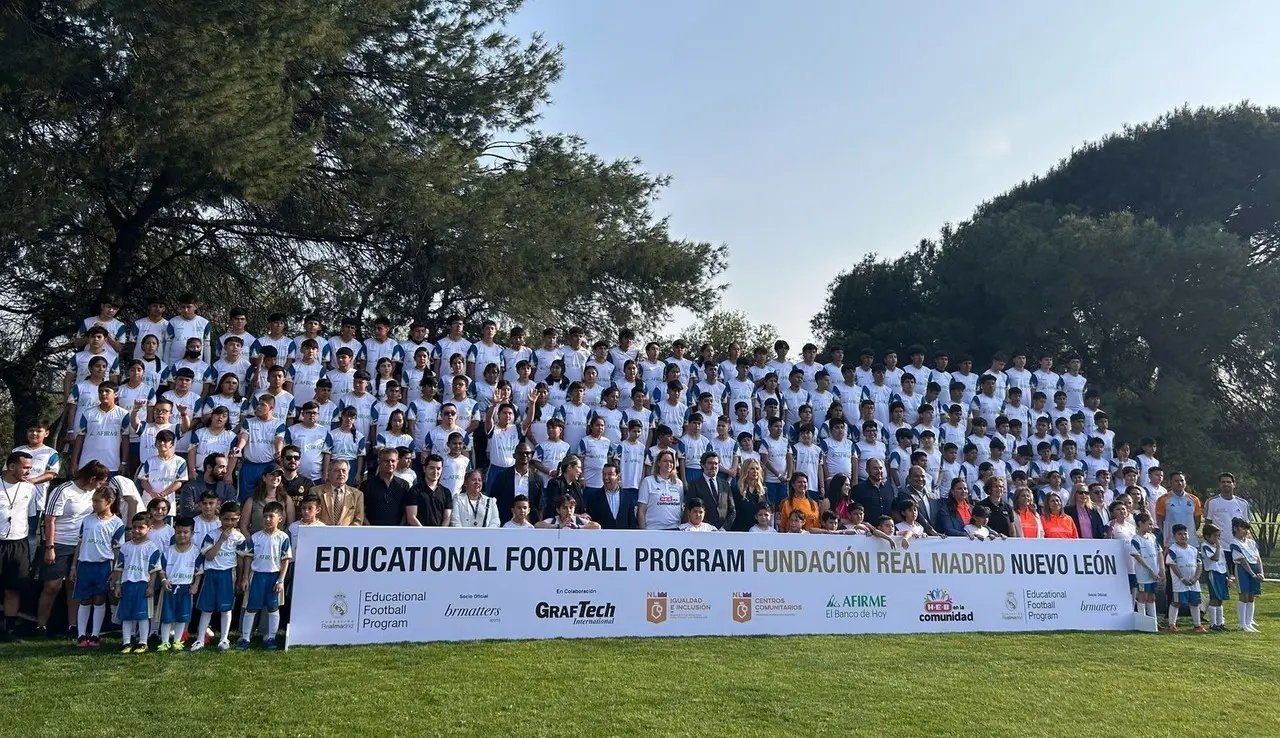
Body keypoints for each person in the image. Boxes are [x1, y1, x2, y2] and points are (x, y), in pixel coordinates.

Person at [37, 461, 110, 637]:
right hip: (60, 542)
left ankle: (73, 626)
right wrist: (50, 547)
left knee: (75, 584)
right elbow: (49, 519)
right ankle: (41, 625)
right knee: (52, 586)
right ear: (92, 478)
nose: (101, 486)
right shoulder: (63, 490)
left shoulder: (94, 493)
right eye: (100, 482)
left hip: (82, 545)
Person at [68, 485, 122, 647]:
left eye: (97, 501)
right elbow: (80, 543)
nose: (94, 504)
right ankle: (81, 635)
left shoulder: (116, 523)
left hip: (103, 566)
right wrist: (73, 566)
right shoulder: (87, 520)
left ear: (109, 502)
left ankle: (95, 635)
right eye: (93, 501)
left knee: (99, 599)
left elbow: (117, 550)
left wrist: (115, 572)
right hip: (85, 565)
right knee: (85, 599)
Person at [236, 500, 293, 650]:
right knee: (251, 607)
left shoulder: (283, 538)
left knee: (273, 608)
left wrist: (281, 580)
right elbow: (248, 557)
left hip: (273, 577)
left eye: (271, 516)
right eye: (265, 516)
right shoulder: (255, 537)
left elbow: (285, 560)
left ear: (279, 518)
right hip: (257, 577)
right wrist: (245, 577)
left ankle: (271, 637)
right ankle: (245, 637)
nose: (267, 519)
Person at [193, 501, 245, 651]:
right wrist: (221, 540)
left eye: (233, 519)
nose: (230, 522)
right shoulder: (212, 535)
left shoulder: (239, 537)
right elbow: (208, 556)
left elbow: (242, 559)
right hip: (211, 574)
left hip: (228, 574)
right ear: (220, 518)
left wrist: (242, 578)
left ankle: (224, 639)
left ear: (238, 519)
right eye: (226, 519)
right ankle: (200, 639)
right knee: (206, 608)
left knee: (226, 608)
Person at [112, 511, 162, 653]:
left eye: (141, 527)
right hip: (127, 584)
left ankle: (143, 642)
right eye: (134, 527)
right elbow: (119, 567)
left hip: (143, 584)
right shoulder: (125, 547)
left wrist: (151, 586)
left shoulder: (152, 547)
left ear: (149, 528)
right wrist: (117, 585)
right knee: (126, 615)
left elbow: (154, 570)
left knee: (143, 615)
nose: (137, 530)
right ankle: (126, 642)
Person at [0, 452, 36, 641]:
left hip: (18, 543)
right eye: (25, 467)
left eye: (30, 468)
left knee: (13, 587)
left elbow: (30, 516)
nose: (28, 472)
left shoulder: (29, 489)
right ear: (12, 466)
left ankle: (10, 631)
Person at [157, 516, 202, 650]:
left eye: (185, 532)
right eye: (179, 532)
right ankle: (165, 641)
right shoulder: (168, 551)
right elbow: (161, 568)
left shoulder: (196, 551)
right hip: (170, 587)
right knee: (167, 615)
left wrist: (195, 585)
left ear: (192, 533)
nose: (182, 535)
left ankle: (177, 641)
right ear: (175, 533)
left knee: (182, 616)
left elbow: (199, 571)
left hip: (186, 588)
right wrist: (164, 581)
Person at [1203, 472, 1250, 568]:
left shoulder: (1243, 503)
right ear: (1219, 484)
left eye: (1229, 482)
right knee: (1224, 579)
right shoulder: (1212, 502)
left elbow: (1246, 526)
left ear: (1234, 484)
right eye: (1223, 482)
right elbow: (1208, 525)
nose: (1226, 484)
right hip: (1221, 547)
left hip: (1238, 548)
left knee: (1238, 579)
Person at [1164, 523, 1204, 632]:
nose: (1183, 536)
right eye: (1179, 534)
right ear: (1174, 536)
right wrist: (1182, 578)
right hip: (1180, 582)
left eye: (1185, 534)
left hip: (1193, 582)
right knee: (1176, 602)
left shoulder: (1193, 550)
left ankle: (1197, 625)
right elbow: (1172, 564)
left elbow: (1199, 564)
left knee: (1195, 603)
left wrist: (1196, 578)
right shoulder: (1173, 550)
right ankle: (1172, 625)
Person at [491, 443, 544, 524]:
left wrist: (537, 523)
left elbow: (540, 505)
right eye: (521, 453)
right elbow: (493, 499)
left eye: (527, 453)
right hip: (506, 522)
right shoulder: (502, 476)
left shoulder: (537, 479)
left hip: (529, 524)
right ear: (514, 455)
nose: (525, 455)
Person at [362, 448, 413, 526]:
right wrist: (370, 528)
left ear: (397, 462)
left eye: (393, 461)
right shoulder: (367, 484)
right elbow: (361, 511)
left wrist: (400, 529)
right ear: (379, 461)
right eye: (386, 461)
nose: (390, 464)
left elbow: (406, 512)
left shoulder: (404, 485)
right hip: (372, 533)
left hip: (397, 533)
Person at [240, 465, 295, 536]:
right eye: (272, 474)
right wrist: (250, 542)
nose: (275, 477)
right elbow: (243, 527)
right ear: (264, 478)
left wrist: (282, 540)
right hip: (257, 543)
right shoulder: (252, 500)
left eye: (278, 475)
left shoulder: (286, 499)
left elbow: (290, 526)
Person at [638, 449, 684, 531]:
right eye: (665, 461)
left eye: (671, 461)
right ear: (659, 463)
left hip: (675, 529)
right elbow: (641, 510)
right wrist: (643, 533)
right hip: (653, 529)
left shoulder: (679, 483)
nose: (669, 464)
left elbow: (680, 508)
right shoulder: (648, 481)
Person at [1231, 517, 1264, 632]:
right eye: (1243, 528)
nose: (1246, 531)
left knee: (1251, 596)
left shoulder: (1251, 542)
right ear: (1235, 528)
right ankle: (1242, 623)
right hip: (1243, 570)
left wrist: (1261, 572)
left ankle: (1249, 622)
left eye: (1247, 528)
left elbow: (1258, 558)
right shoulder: (1235, 543)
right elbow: (1242, 560)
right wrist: (1252, 574)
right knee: (1244, 595)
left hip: (1254, 568)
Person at [685, 451, 732, 529]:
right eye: (710, 463)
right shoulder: (694, 484)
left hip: (723, 532)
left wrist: (724, 528)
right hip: (704, 530)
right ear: (703, 465)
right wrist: (709, 528)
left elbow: (732, 510)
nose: (714, 466)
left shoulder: (725, 484)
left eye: (716, 464)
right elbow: (691, 509)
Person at [584, 463, 638, 530]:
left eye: (610, 474)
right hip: (601, 538)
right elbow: (589, 522)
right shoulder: (593, 497)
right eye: (604, 474)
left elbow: (631, 522)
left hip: (623, 538)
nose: (606, 477)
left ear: (618, 476)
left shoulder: (627, 497)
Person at [314, 461, 366, 526]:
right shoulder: (316, 491)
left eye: (344, 470)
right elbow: (312, 516)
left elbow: (358, 520)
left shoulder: (357, 494)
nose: (341, 474)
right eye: (336, 470)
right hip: (322, 533)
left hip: (347, 534)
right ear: (329, 473)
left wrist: (345, 534)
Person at [1130, 512, 1161, 622]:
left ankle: (1153, 620)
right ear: (1140, 523)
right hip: (1143, 574)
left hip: (1155, 573)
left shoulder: (1152, 537)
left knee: (1152, 596)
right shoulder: (1136, 539)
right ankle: (1142, 620)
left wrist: (1160, 569)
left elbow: (1159, 553)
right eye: (1149, 524)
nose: (1151, 527)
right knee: (1142, 595)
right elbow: (1137, 556)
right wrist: (1149, 570)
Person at [407, 454, 451, 527]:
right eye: (431, 468)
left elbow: (447, 518)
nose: (435, 471)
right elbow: (411, 518)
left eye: (438, 468)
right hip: (419, 535)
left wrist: (441, 533)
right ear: (424, 469)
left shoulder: (446, 492)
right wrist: (425, 533)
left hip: (440, 535)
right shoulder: (414, 490)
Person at [1201, 523, 1230, 631]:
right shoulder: (1205, 546)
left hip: (1222, 573)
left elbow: (1223, 561)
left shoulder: (1219, 547)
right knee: (1214, 597)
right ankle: (1213, 624)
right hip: (1213, 572)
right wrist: (1217, 547)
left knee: (1221, 598)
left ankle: (1220, 622)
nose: (1217, 539)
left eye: (1218, 536)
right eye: (1215, 536)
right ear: (1207, 536)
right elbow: (1215, 558)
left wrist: (1228, 576)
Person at [728, 458, 770, 532]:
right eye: (752, 469)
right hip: (740, 529)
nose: (755, 471)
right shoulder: (736, 489)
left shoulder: (763, 491)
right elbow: (731, 511)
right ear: (745, 471)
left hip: (757, 531)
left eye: (757, 469)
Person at [544, 454, 587, 520]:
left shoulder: (577, 486)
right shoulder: (554, 483)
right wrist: (578, 516)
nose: (580, 471)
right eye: (578, 467)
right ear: (569, 467)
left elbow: (581, 508)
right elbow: (554, 509)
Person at [851, 458, 894, 523]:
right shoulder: (858, 489)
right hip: (867, 530)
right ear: (867, 470)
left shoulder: (889, 488)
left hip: (887, 530)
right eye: (875, 468)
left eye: (880, 468)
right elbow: (853, 512)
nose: (879, 471)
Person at [536, 495, 600, 529]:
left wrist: (579, 527)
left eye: (571, 508)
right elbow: (537, 525)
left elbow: (597, 526)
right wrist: (558, 526)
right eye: (564, 508)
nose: (568, 511)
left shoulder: (578, 521)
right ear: (558, 510)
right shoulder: (554, 520)